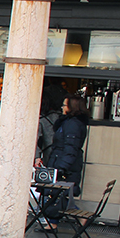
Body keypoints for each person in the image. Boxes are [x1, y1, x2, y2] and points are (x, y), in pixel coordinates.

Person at [41, 94, 89, 230]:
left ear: (71, 107)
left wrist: (62, 167)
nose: (62, 107)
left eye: (64, 105)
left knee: (58, 192)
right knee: (58, 193)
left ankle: (76, 217)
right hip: (62, 161)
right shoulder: (70, 122)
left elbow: (70, 147)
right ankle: (53, 222)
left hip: (64, 164)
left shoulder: (72, 124)